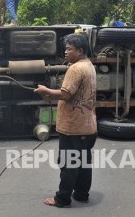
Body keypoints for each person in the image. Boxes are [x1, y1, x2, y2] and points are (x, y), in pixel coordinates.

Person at [34, 33, 97, 208]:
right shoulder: (89, 65)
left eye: (69, 49)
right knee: (83, 162)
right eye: (66, 49)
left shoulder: (75, 69)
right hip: (87, 126)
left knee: (68, 163)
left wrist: (45, 90)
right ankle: (82, 194)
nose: (66, 52)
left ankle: (62, 199)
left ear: (80, 50)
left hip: (73, 127)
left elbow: (65, 94)